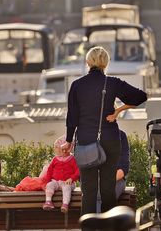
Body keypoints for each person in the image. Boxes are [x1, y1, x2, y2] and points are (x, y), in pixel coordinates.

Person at [62, 46, 147, 217]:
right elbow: (141, 96)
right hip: (109, 139)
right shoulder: (113, 83)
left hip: (86, 141)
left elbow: (72, 116)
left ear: (88, 62)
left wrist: (69, 140)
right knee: (108, 189)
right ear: (106, 63)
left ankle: (89, 227)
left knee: (89, 190)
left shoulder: (77, 85)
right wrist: (118, 111)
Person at [42, 135, 80, 213]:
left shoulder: (72, 159)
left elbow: (78, 171)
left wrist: (72, 178)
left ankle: (65, 204)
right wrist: (48, 181)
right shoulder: (55, 159)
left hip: (68, 182)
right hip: (55, 181)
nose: (58, 152)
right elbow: (49, 171)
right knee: (49, 185)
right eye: (57, 149)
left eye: (60, 149)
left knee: (67, 188)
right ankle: (48, 201)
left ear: (66, 149)